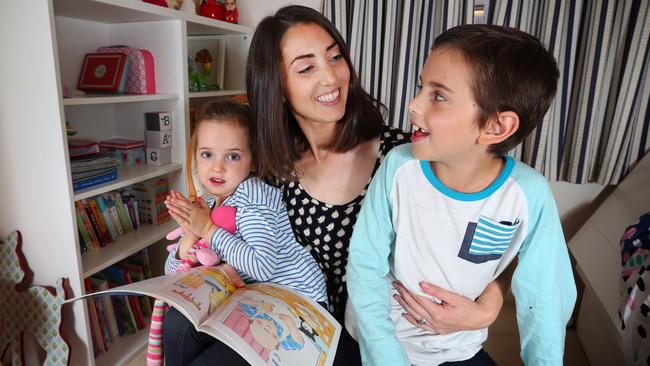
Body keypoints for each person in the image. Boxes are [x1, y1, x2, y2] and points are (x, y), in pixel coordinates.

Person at [163, 6, 508, 365]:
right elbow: (226, 237)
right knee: (181, 328)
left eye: (334, 56)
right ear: (277, 87)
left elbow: (497, 226)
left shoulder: (406, 156)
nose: (331, 77)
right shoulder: (268, 169)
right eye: (307, 67)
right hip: (301, 325)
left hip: (397, 333)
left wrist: (486, 308)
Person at [346, 24, 577, 365]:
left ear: (496, 126)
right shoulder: (399, 168)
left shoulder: (528, 196)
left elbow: (545, 298)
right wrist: (385, 356)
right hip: (374, 344)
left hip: (457, 348)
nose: (413, 105)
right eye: (421, 88)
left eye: (438, 95)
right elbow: (366, 264)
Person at [162, 99, 327, 365]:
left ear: (252, 162)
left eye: (233, 156)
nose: (217, 167)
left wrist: (207, 228)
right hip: (256, 297)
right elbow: (173, 274)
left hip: (298, 300)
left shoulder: (254, 199)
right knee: (176, 325)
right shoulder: (211, 203)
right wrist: (190, 237)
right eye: (207, 154)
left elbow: (262, 267)